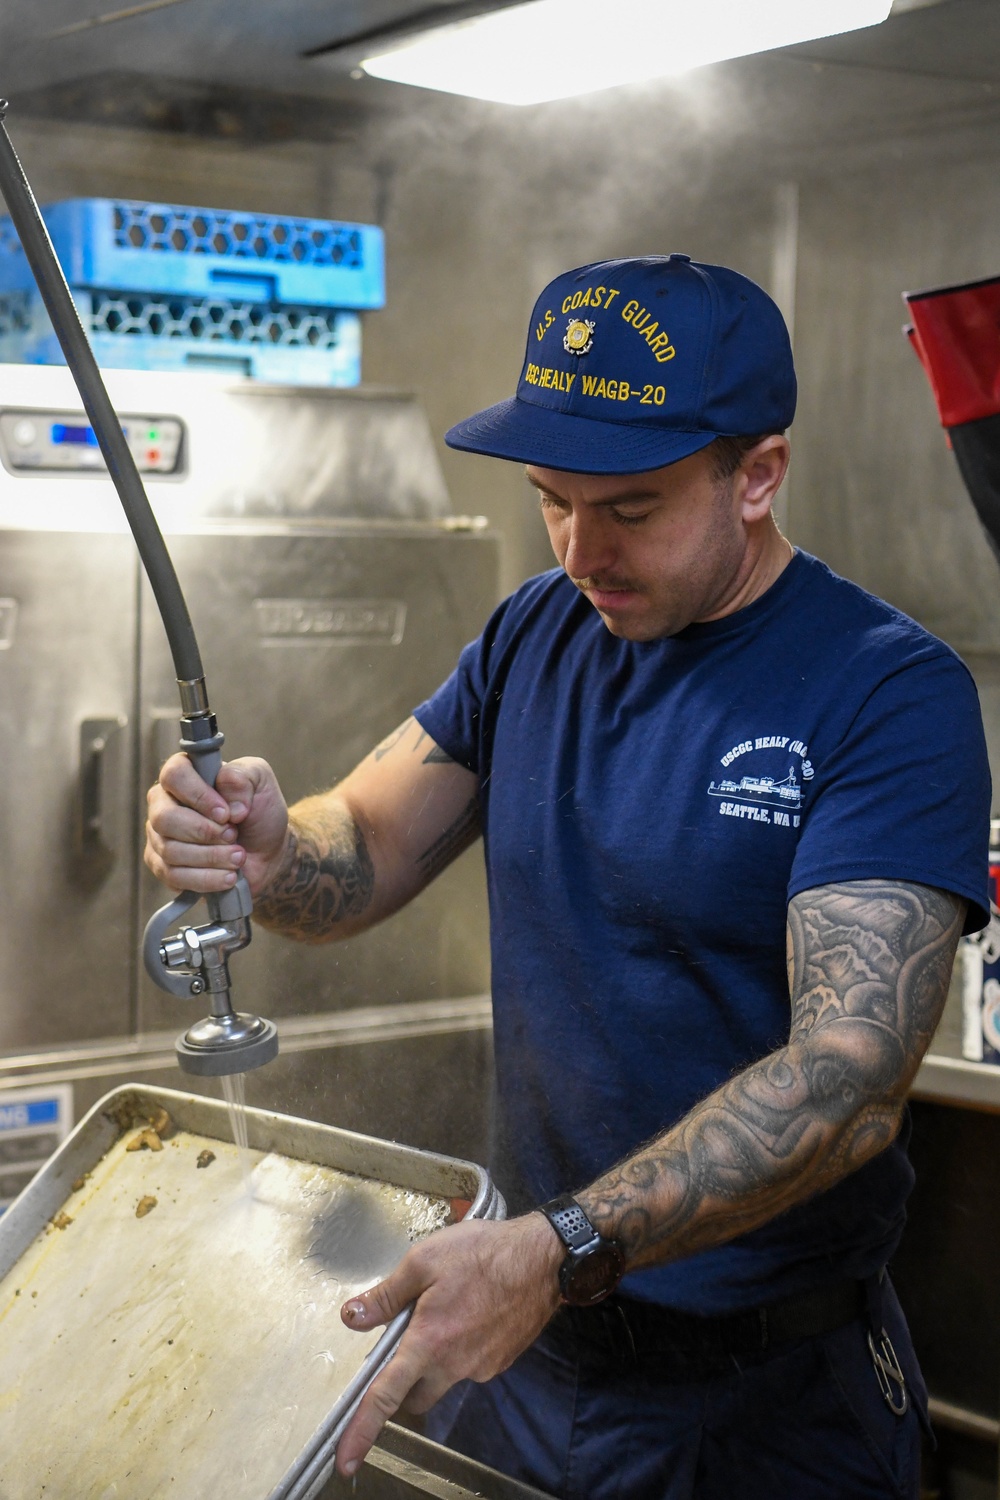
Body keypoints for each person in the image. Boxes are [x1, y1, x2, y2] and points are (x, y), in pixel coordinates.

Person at [145, 255, 991, 1500]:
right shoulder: (534, 634)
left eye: (632, 509)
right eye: (553, 500)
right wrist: (271, 849)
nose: (582, 550)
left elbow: (849, 1076)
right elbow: (365, 848)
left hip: (767, 1404)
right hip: (526, 1356)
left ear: (756, 475)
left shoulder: (884, 691)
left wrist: (562, 1244)